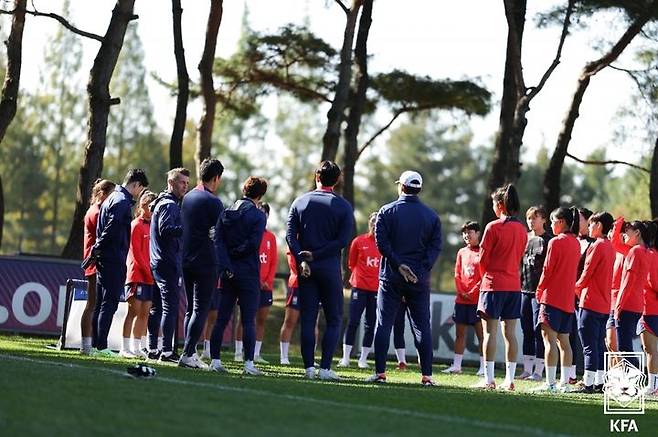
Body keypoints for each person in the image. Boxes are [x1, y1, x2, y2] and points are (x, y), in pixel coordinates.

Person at [366, 170, 442, 386]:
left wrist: (400, 265)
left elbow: (382, 245)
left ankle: (380, 373)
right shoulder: (431, 216)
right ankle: (427, 376)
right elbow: (435, 248)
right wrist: (419, 270)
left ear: (401, 187)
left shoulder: (386, 211)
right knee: (421, 327)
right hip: (419, 280)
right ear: (419, 189)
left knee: (384, 325)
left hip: (391, 275)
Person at [286, 161, 353, 381]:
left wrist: (302, 259)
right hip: (329, 268)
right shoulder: (343, 206)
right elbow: (343, 240)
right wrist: (318, 255)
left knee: (308, 318)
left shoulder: (300, 201)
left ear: (316, 177)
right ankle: (325, 368)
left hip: (306, 269)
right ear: (337, 180)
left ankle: (308, 369)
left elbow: (289, 236)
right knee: (334, 318)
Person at [209, 176, 268, 375]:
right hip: (248, 272)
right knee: (248, 319)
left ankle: (215, 360)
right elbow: (253, 243)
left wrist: (226, 263)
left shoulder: (226, 212)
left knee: (222, 318)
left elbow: (218, 241)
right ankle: (249, 363)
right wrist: (237, 254)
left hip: (227, 271)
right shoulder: (259, 216)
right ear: (260, 195)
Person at [475, 184, 527, 391]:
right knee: (511, 334)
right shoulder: (522, 229)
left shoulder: (493, 227)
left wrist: (484, 278)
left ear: (500, 204)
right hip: (513, 286)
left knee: (490, 333)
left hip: (493, 285)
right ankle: (510, 380)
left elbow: (482, 259)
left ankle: (489, 380)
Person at [92, 169, 149, 356]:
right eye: (140, 190)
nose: (138, 194)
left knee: (101, 303)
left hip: (105, 257)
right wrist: (99, 247)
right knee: (108, 304)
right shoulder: (122, 201)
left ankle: (95, 345)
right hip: (113, 258)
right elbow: (113, 227)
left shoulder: (111, 197)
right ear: (136, 185)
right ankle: (100, 346)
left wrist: (97, 248)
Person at [179, 158, 226, 369]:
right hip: (205, 260)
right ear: (216, 178)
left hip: (186, 258)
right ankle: (188, 353)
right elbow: (221, 232)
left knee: (191, 309)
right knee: (201, 309)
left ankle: (189, 351)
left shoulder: (187, 197)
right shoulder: (213, 201)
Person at [533, 207, 581, 393]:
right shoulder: (576, 243)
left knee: (549, 341)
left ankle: (550, 383)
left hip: (551, 298)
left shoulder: (555, 242)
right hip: (567, 300)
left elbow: (548, 269)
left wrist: (539, 290)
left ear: (561, 222)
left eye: (552, 221)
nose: (551, 225)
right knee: (565, 342)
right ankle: (564, 383)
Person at [150, 167, 189, 363]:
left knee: (157, 307)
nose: (185, 186)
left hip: (159, 261)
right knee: (169, 307)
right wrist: (186, 228)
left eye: (187, 183)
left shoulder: (162, 202)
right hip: (167, 262)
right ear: (171, 183)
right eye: (182, 182)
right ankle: (166, 351)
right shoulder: (169, 204)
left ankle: (152, 348)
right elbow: (165, 229)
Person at [574, 211, 615, 393]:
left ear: (598, 226)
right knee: (598, 344)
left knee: (589, 344)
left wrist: (575, 288)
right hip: (604, 303)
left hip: (590, 301)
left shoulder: (596, 245)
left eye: (591, 224)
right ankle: (599, 382)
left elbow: (587, 272)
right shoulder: (610, 246)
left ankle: (588, 383)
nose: (589, 227)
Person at [235, 202, 278, 364]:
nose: (263, 215)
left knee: (261, 319)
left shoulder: (271, 237)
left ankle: (256, 353)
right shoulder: (248, 235)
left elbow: (273, 261)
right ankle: (239, 352)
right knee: (245, 318)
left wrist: (267, 281)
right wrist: (257, 279)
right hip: (250, 281)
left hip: (266, 287)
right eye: (260, 211)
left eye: (265, 212)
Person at [338, 212, 381, 369]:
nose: (375, 225)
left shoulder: (384, 244)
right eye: (373, 222)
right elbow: (351, 263)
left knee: (371, 324)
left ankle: (363, 359)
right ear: (369, 224)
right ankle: (346, 358)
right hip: (359, 287)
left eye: (378, 222)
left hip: (376, 290)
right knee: (353, 321)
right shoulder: (359, 241)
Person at [444, 221, 484, 376]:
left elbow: (484, 275)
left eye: (470, 232)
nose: (467, 235)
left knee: (481, 335)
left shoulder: (483, 251)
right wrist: (461, 291)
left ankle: (483, 367)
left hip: (477, 300)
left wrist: (473, 292)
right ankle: (457, 365)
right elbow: (457, 273)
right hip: (461, 300)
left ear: (478, 233)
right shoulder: (461, 252)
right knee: (460, 334)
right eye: (465, 232)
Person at [120, 190, 157, 359]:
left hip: (149, 276)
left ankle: (137, 347)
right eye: (151, 206)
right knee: (133, 311)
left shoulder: (154, 226)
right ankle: (124, 347)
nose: (154, 210)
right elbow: (136, 253)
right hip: (137, 275)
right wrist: (148, 271)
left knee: (145, 312)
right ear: (143, 206)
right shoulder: (135, 224)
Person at [81, 179, 116, 355]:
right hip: (95, 262)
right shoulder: (96, 212)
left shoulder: (95, 210)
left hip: (95, 261)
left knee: (93, 304)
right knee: (93, 304)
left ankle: (89, 345)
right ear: (102, 194)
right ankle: (88, 345)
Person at [520, 206, 551, 381]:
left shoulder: (548, 240)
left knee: (538, 330)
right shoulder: (525, 238)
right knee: (526, 331)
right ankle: (526, 369)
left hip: (540, 293)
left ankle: (538, 371)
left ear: (544, 219)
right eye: (529, 218)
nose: (531, 221)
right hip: (524, 290)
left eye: (535, 218)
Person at [614, 220, 650, 364]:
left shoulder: (635, 251)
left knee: (624, 348)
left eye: (627, 230)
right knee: (628, 346)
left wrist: (618, 306)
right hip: (638, 304)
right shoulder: (647, 251)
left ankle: (633, 382)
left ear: (637, 232)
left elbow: (627, 282)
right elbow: (615, 244)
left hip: (627, 305)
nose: (624, 234)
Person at [278, 250, 321, 365]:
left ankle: (311, 356)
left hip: (314, 285)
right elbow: (292, 261)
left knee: (314, 323)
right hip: (297, 284)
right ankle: (284, 357)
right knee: (290, 321)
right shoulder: (294, 239)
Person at [640, 221, 658, 396]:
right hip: (650, 307)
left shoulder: (651, 254)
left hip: (649, 307)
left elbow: (653, 281)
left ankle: (653, 386)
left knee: (650, 350)